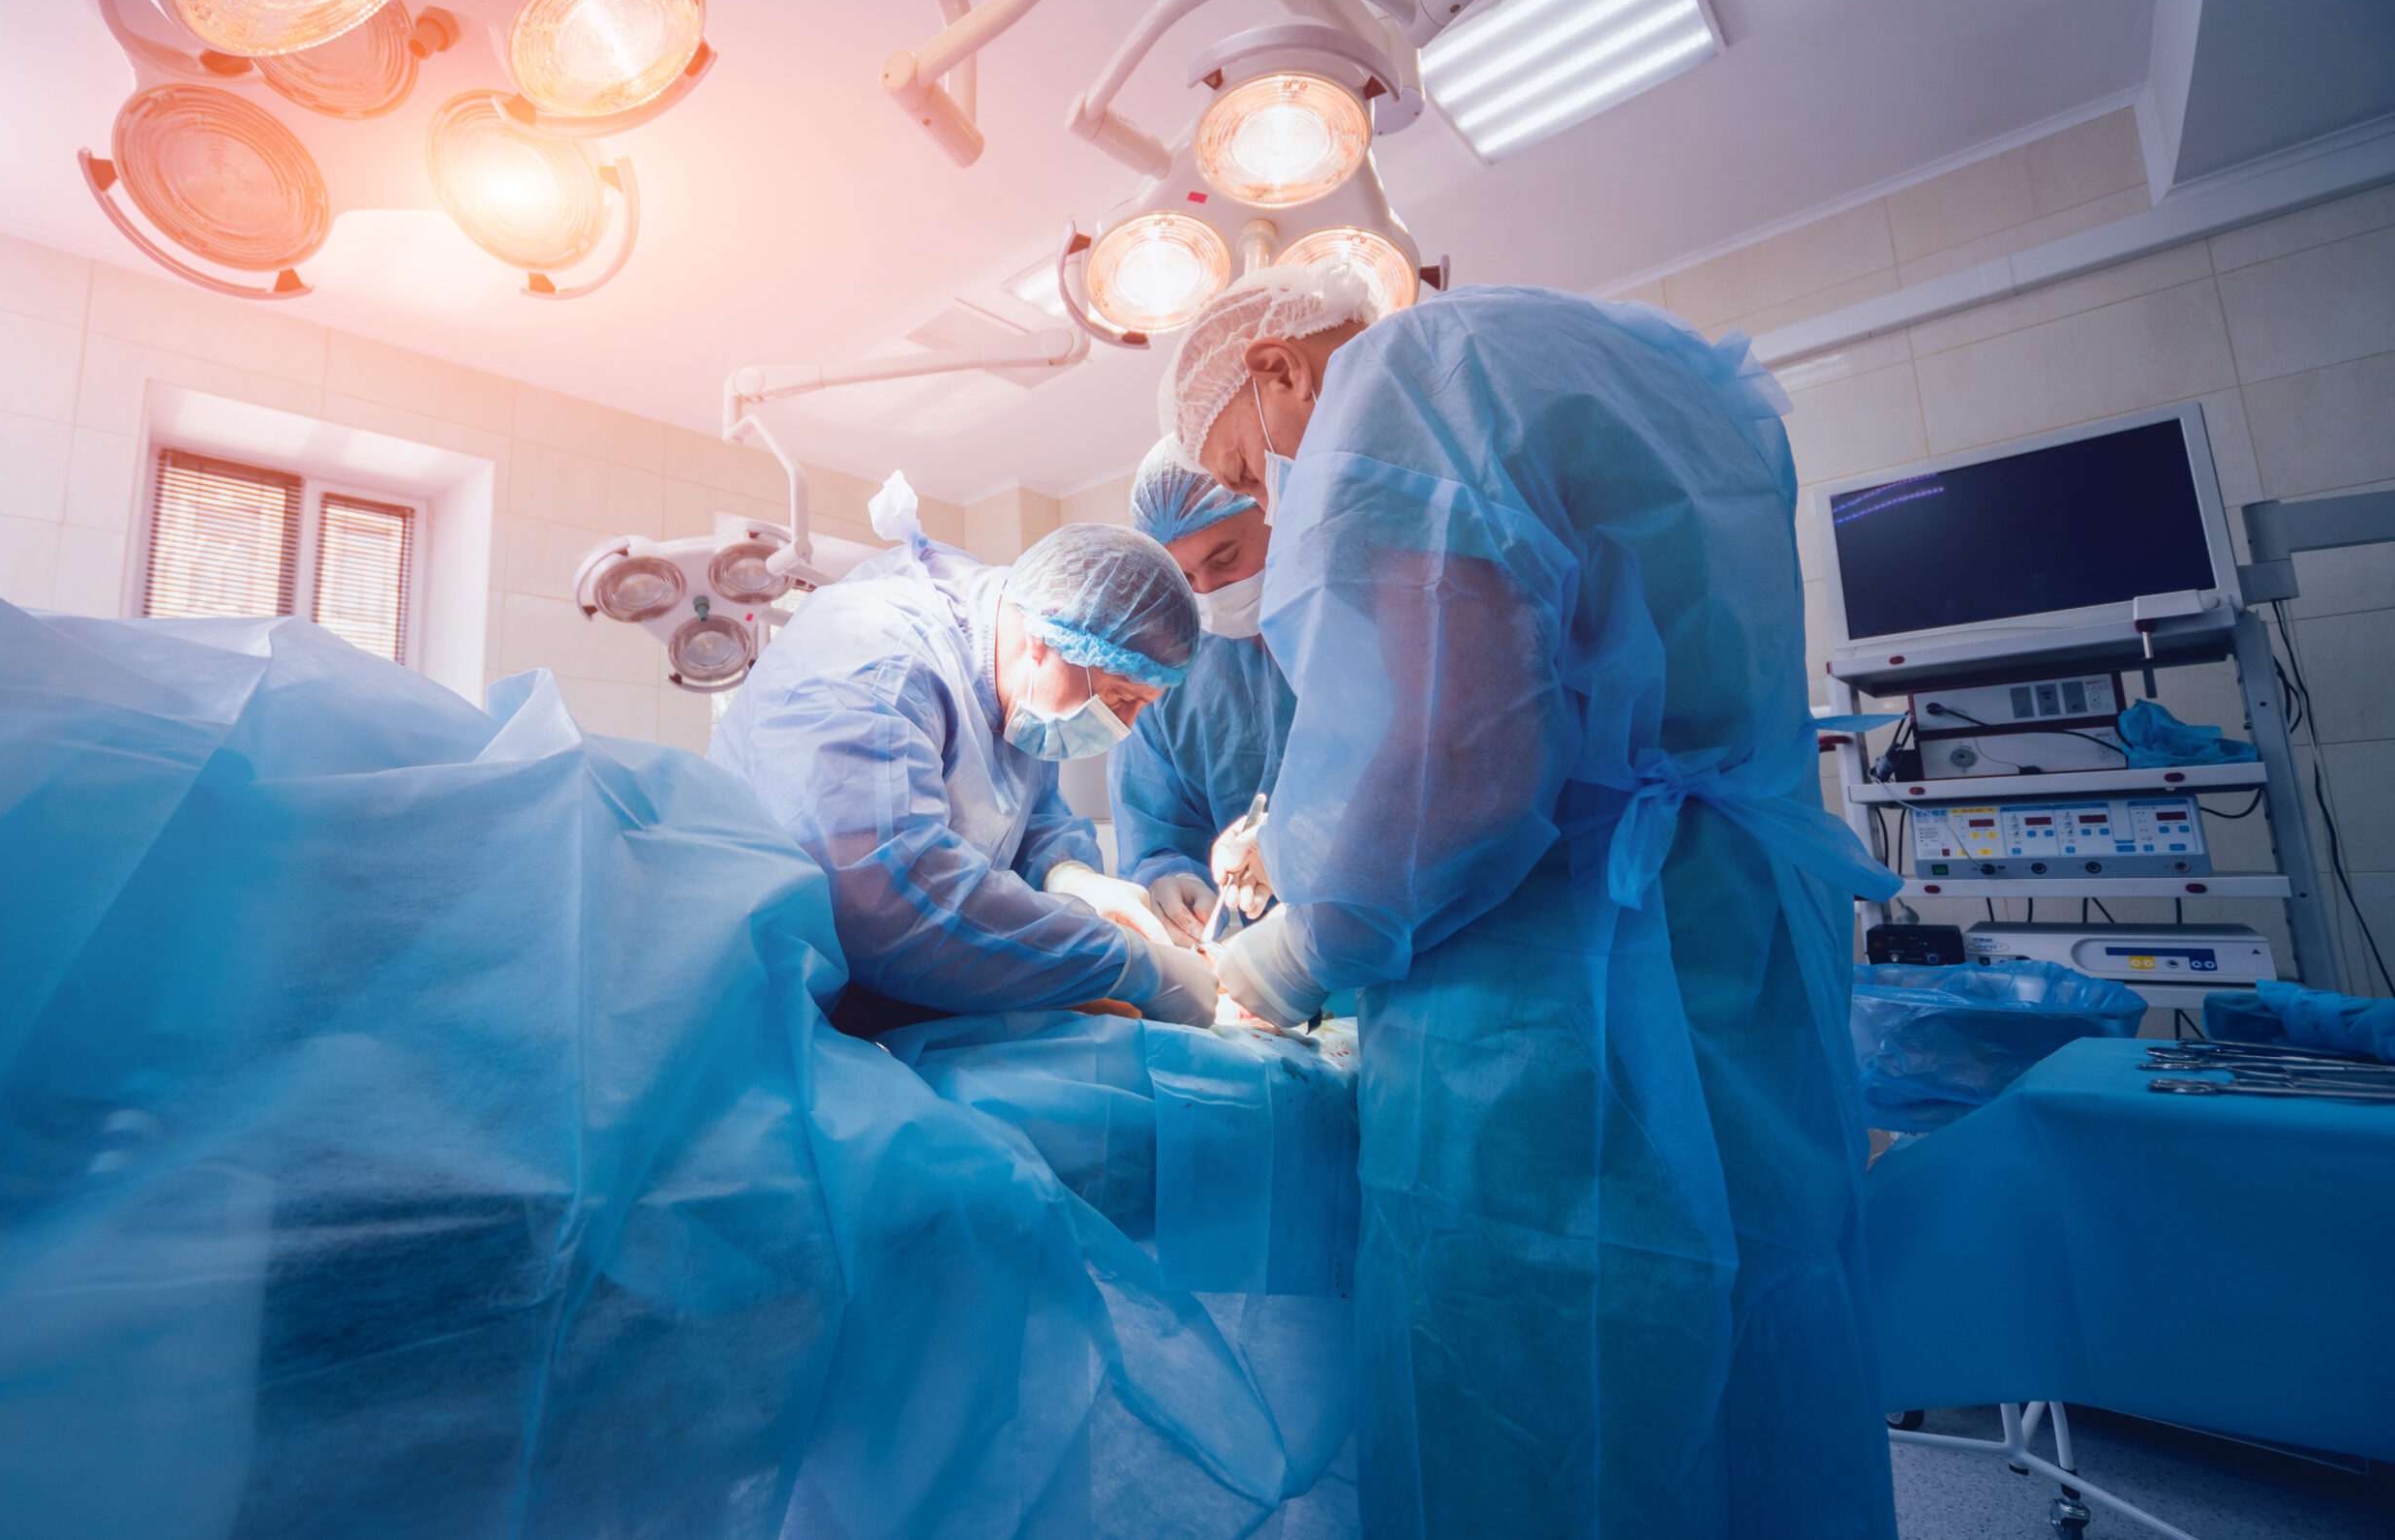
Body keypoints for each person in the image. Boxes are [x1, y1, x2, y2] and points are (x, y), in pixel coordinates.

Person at [1163, 265, 1904, 1536]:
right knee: (1750, 1365)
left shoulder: (1402, 377)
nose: (1275, 485)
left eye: (1249, 463)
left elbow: (1467, 763)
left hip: (1564, 998)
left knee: (1558, 1395)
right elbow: (1555, 677)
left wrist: (1281, 962)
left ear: (1280, 363)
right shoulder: (1657, 369)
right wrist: (1302, 826)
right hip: (1734, 943)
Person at [712, 517, 1220, 1035]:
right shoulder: (882, 664)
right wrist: (1128, 965)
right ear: (1046, 637)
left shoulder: (1018, 695)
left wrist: (1072, 876)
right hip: (769, 998)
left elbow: (1035, 823)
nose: (1124, 726)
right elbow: (892, 900)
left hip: (887, 995)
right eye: (1119, 696)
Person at [1107, 440, 1296, 945]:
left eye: (1226, 557)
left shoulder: (1363, 612)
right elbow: (1155, 826)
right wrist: (1169, 878)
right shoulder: (1167, 673)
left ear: (1273, 506)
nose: (1210, 590)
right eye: (1187, 576)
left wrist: (1310, 844)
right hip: (1247, 970)